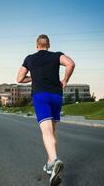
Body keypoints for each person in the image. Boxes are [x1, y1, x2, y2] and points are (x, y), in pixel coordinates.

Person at [16, 34, 75, 185]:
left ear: (37, 45)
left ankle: (55, 160)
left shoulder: (30, 58)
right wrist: (65, 80)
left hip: (41, 96)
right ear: (48, 45)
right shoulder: (56, 55)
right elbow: (71, 64)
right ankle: (50, 164)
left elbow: (19, 78)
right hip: (56, 96)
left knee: (46, 131)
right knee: (53, 131)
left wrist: (33, 77)